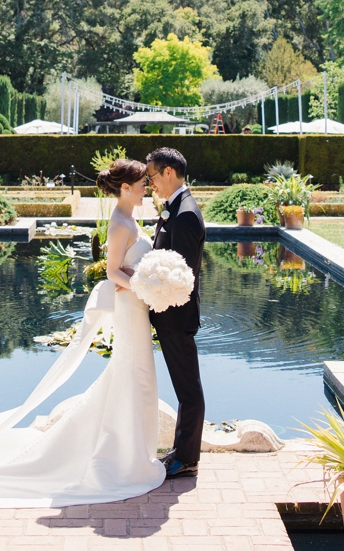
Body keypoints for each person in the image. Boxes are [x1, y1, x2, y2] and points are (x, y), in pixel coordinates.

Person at [0, 157, 166, 508]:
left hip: (135, 309)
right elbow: (111, 273)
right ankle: (120, 458)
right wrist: (145, 286)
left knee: (136, 377)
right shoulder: (121, 222)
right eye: (141, 184)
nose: (146, 188)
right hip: (131, 307)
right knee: (133, 375)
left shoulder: (130, 217)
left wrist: (150, 284)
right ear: (125, 188)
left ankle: (128, 451)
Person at [143, 146, 206, 479]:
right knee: (184, 387)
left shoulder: (184, 214)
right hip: (169, 316)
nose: (151, 183)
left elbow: (179, 275)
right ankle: (182, 451)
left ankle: (188, 459)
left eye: (152, 176)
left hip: (177, 317)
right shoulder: (175, 209)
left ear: (169, 172)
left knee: (188, 389)